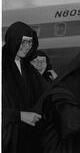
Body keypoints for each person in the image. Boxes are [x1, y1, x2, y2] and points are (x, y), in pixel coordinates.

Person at [2, 21, 50, 153]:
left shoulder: (27, 67)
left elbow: (48, 93)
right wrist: (18, 116)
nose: (27, 46)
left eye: (30, 42)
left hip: (29, 139)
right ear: (13, 40)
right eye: (23, 42)